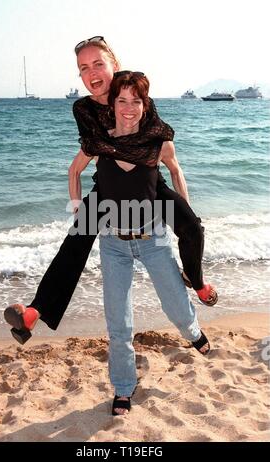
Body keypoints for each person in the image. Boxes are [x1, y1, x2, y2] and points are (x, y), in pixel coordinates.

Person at [4, 36, 217, 345]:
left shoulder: (135, 93)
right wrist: (77, 202)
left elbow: (156, 140)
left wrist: (113, 146)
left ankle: (197, 282)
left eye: (98, 63)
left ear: (114, 66)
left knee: (192, 227)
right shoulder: (82, 109)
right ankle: (33, 314)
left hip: (149, 185)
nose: (92, 72)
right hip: (107, 188)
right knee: (74, 243)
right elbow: (94, 152)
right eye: (83, 67)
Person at [70, 70, 210, 416]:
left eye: (137, 100)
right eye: (122, 100)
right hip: (113, 245)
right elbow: (73, 172)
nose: (129, 107)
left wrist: (184, 212)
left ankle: (193, 332)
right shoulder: (99, 140)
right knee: (118, 323)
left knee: (177, 307)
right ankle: (123, 387)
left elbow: (176, 172)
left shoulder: (157, 141)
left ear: (145, 105)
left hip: (154, 238)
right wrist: (78, 213)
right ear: (112, 105)